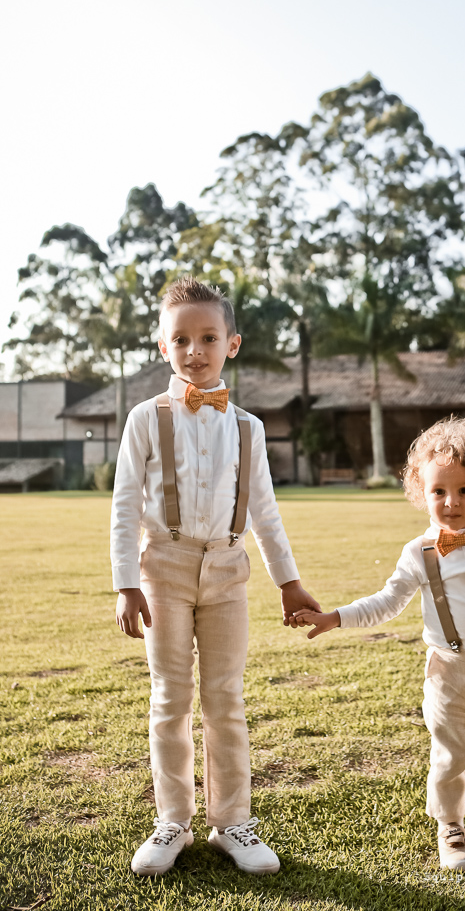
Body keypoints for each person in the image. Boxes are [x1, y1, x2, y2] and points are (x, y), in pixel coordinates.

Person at [294, 416, 465, 872]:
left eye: (464, 490)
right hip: (449, 673)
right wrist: (335, 618)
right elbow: (387, 601)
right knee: (450, 756)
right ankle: (451, 830)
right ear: (421, 493)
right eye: (438, 491)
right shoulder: (418, 553)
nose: (451, 502)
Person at [112, 275, 320, 877]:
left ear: (232, 343)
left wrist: (289, 581)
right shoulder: (145, 420)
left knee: (225, 698)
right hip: (164, 570)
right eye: (181, 339)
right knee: (170, 698)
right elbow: (126, 504)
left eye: (208, 337)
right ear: (162, 346)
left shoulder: (249, 428)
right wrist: (126, 581)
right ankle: (172, 820)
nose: (194, 351)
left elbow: (264, 512)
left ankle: (232, 823)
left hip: (228, 570)